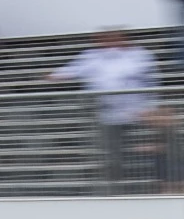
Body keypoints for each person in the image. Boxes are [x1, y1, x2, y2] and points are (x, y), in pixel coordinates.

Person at [48, 27, 158, 191]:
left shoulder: (139, 55)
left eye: (114, 38)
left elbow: (150, 79)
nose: (110, 42)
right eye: (105, 39)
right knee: (113, 149)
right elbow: (74, 69)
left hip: (138, 111)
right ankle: (116, 182)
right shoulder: (92, 56)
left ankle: (144, 181)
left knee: (141, 149)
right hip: (108, 113)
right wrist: (55, 75)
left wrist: (151, 106)